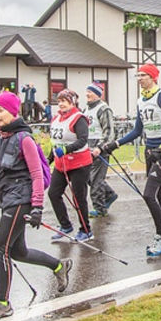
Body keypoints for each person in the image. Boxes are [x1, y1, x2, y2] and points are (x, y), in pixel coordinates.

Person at [0, 91, 71, 321]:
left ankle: (2, 303)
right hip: (6, 198)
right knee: (18, 252)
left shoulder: (25, 139)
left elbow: (37, 175)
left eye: (0, 110)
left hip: (22, 200)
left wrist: (37, 207)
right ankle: (58, 266)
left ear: (13, 111)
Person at [103, 63, 161, 256]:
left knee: (148, 194)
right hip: (149, 151)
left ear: (153, 77)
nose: (140, 79)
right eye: (138, 76)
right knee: (159, 196)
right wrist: (116, 143)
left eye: (143, 75)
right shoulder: (141, 100)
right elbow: (137, 130)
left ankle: (160, 235)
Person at [48, 89, 93, 242]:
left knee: (78, 198)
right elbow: (55, 143)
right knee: (53, 194)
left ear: (72, 102)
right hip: (61, 164)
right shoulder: (56, 118)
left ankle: (86, 230)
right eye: (59, 101)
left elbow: (82, 140)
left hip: (79, 163)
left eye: (64, 101)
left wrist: (66, 149)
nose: (61, 104)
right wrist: (48, 160)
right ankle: (65, 225)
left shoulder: (79, 118)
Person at [84, 83, 118, 218]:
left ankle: (100, 208)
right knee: (88, 177)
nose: (87, 94)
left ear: (98, 94)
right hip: (87, 147)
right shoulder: (86, 109)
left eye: (90, 92)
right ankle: (109, 194)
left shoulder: (103, 109)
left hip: (99, 147)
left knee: (96, 179)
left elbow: (109, 131)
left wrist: (100, 146)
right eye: (87, 91)